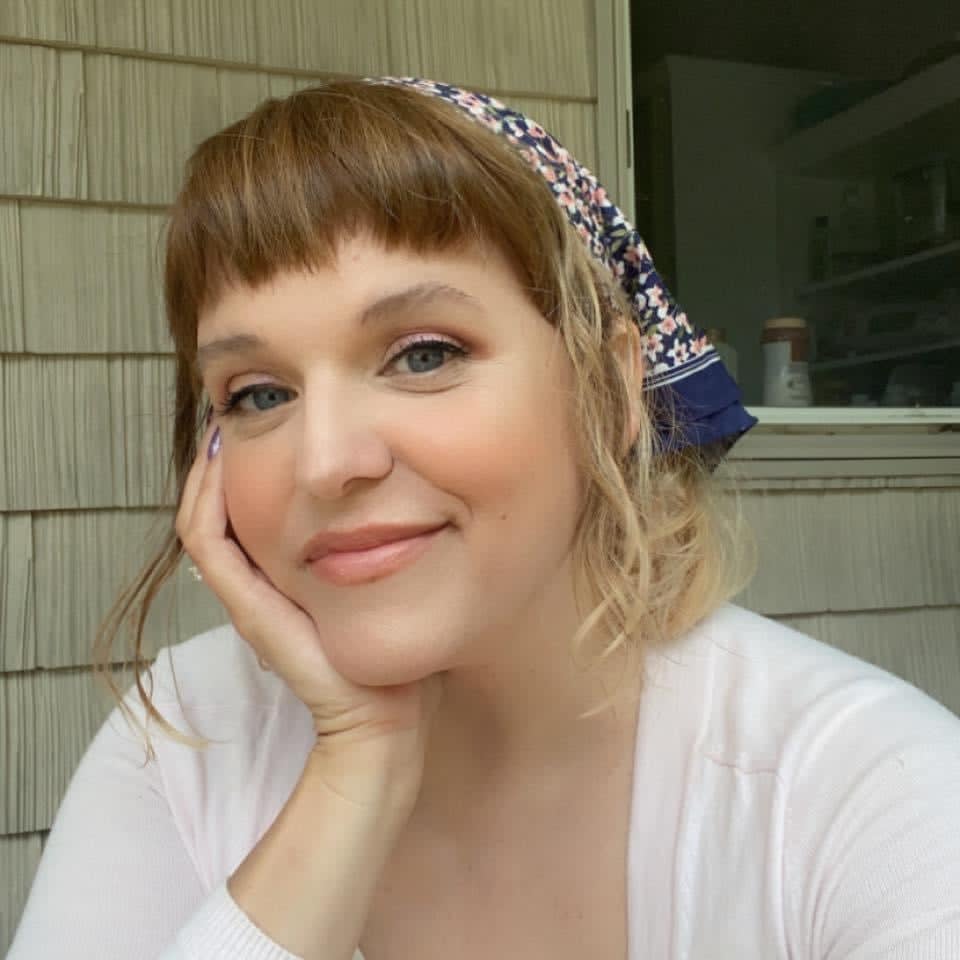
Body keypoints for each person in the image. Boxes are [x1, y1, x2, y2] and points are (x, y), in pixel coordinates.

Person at [8, 78, 960, 960]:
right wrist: (358, 766)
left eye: (423, 355)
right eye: (258, 394)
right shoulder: (185, 735)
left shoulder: (865, 793)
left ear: (613, 384)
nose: (328, 462)